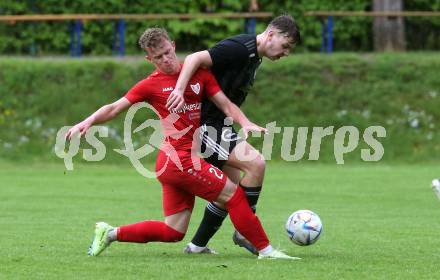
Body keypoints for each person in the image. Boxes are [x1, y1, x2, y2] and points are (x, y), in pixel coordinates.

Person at [66, 27, 299, 260]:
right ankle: (266, 251)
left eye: (167, 52)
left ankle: (110, 233)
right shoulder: (150, 85)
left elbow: (226, 105)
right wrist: (87, 121)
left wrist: (244, 122)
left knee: (173, 231)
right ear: (149, 59)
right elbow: (115, 107)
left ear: (174, 46)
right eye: (158, 57)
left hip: (175, 162)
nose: (166, 59)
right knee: (234, 195)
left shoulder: (201, 76)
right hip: (180, 161)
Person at [167, 14, 301, 255]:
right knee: (256, 163)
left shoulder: (254, 57)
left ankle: (196, 246)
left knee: (229, 191)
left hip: (220, 124)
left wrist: (242, 121)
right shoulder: (239, 49)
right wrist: (178, 90)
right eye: (286, 46)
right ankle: (245, 231)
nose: (286, 53)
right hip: (205, 125)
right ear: (270, 35)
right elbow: (195, 58)